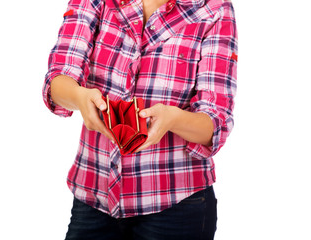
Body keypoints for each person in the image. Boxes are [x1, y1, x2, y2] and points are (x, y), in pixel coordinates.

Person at [42, 0, 237, 238]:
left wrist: (172, 119)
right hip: (94, 196)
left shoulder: (215, 9)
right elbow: (58, 79)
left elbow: (216, 122)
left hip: (177, 206)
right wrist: (79, 96)